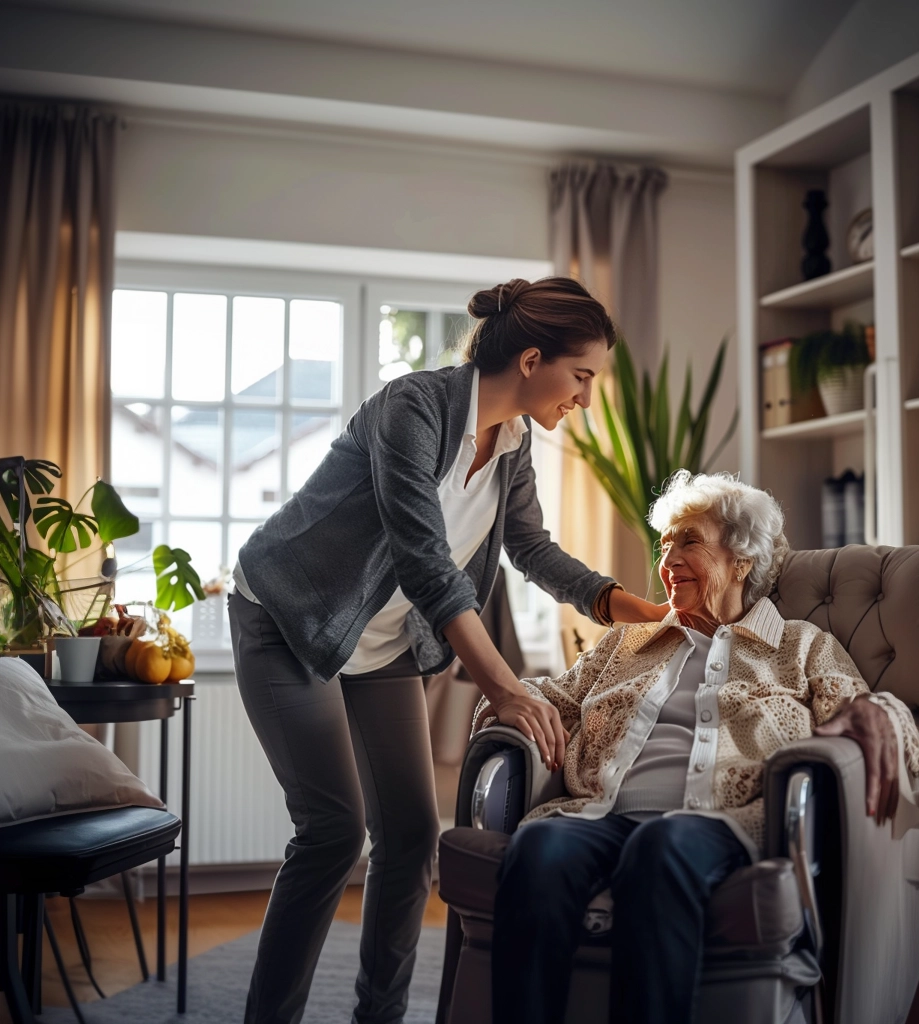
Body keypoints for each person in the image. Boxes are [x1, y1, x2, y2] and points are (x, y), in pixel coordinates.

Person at [227, 277, 666, 1024]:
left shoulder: (515, 442)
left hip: (383, 642)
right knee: (333, 832)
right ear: (533, 359)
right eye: (583, 377)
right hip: (289, 620)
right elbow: (424, 559)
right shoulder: (413, 408)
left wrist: (635, 608)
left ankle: (381, 1016)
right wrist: (506, 688)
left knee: (409, 836)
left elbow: (530, 548)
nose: (586, 399)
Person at [485, 471, 919, 1024]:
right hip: (601, 812)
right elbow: (550, 696)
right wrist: (507, 700)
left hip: (721, 819)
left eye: (689, 541)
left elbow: (870, 718)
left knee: (661, 848)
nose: (667, 559)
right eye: (664, 545)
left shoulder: (800, 645)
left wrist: (879, 711)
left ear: (742, 560)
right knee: (539, 847)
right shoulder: (627, 642)